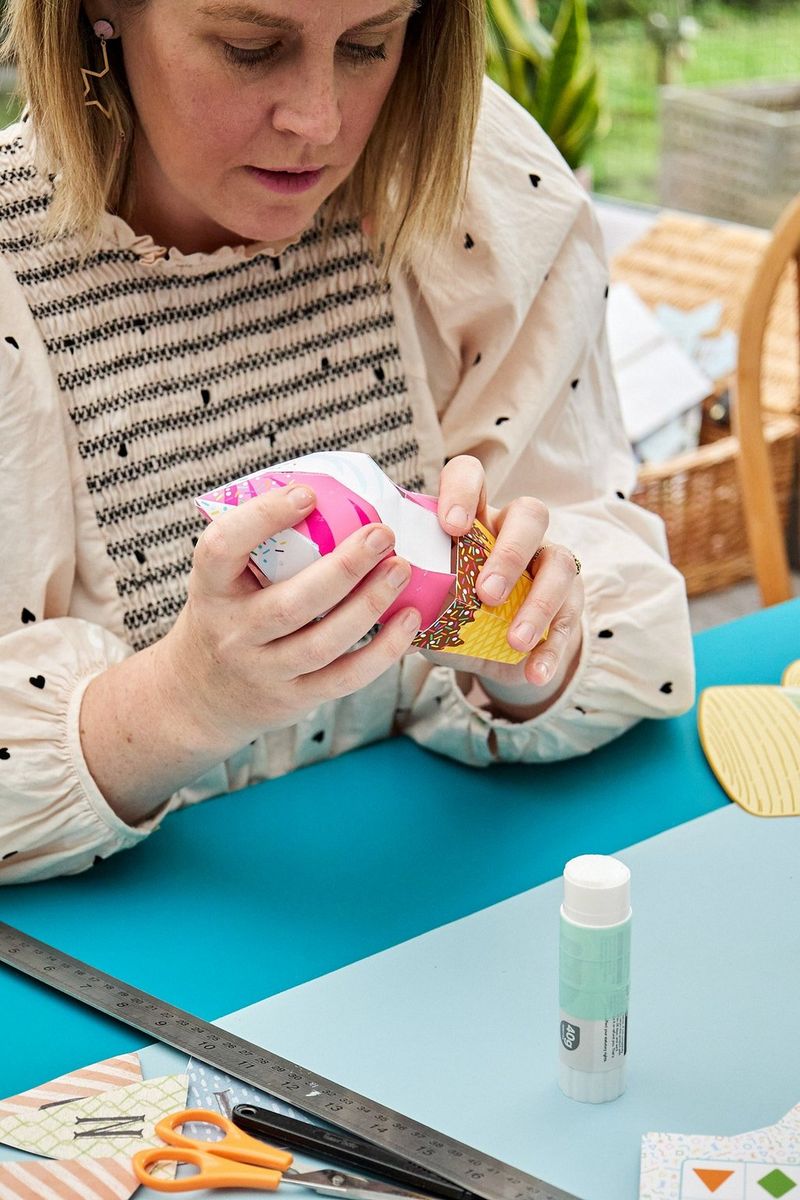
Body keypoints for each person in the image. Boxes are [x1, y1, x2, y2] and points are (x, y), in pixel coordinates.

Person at [0, 0, 694, 884]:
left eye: (370, 44)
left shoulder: (466, 200)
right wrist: (187, 697)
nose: (318, 121)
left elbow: (607, 605)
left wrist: (519, 641)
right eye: (250, 47)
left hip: (425, 895)